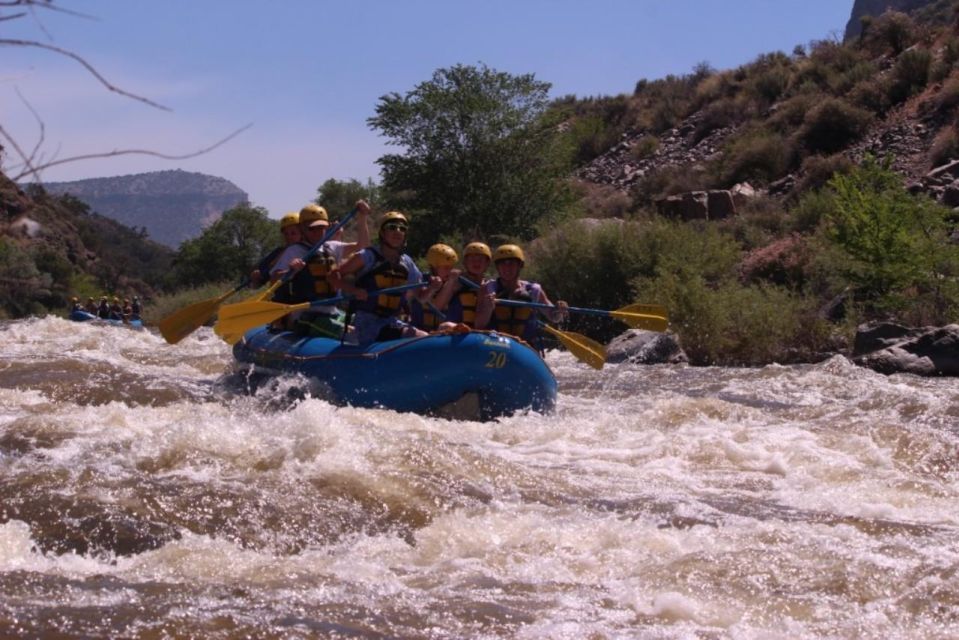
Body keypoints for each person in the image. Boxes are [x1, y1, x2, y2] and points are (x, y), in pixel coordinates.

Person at [330, 211, 440, 344]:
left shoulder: (407, 262)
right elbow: (333, 276)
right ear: (382, 233)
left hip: (392, 321)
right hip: (368, 325)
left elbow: (421, 297)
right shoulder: (367, 256)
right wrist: (353, 290)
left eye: (402, 229)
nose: (397, 231)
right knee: (419, 336)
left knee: (430, 334)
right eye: (392, 227)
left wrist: (433, 288)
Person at [269, 201, 370, 337]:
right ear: (302, 229)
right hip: (306, 315)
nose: (318, 232)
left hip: (332, 311)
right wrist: (291, 271)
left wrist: (362, 217)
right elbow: (274, 278)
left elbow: (363, 246)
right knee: (353, 334)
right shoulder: (295, 251)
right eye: (312, 229)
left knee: (367, 323)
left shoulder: (332, 247)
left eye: (321, 227)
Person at [474, 244, 568, 345]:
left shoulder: (534, 290)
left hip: (525, 346)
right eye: (502, 264)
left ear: (520, 266)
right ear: (497, 267)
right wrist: (487, 309)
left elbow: (554, 317)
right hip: (495, 343)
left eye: (511, 263)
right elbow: (478, 326)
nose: (507, 268)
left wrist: (560, 310)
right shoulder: (487, 289)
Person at [432, 241, 491, 329]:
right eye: (472, 259)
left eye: (480, 260)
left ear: (487, 263)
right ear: (465, 262)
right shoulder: (457, 281)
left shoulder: (490, 286)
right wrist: (451, 281)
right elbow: (437, 307)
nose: (476, 263)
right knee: (446, 326)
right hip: (454, 330)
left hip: (477, 332)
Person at [249, 211, 301, 287]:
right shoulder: (278, 252)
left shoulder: (304, 250)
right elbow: (261, 274)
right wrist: (256, 278)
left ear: (302, 233)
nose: (289, 237)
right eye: (286, 234)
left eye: (293, 233)